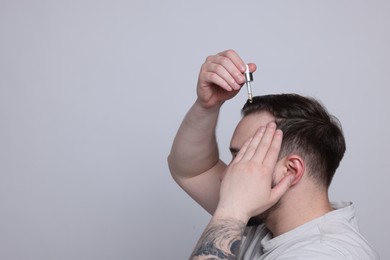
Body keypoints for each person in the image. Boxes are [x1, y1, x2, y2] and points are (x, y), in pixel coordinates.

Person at [167, 49, 379, 259]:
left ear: (291, 170)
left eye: (245, 157)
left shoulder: (324, 254)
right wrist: (207, 106)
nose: (226, 175)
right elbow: (193, 171)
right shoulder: (267, 219)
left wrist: (233, 210)